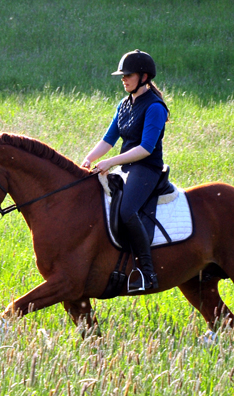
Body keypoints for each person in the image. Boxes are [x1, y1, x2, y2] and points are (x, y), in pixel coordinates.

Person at [81, 49, 169, 292]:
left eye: (127, 75)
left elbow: (146, 148)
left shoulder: (155, 107)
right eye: (122, 75)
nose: (123, 79)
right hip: (127, 167)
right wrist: (89, 159)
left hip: (146, 168)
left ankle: (147, 273)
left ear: (143, 76)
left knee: (128, 210)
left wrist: (110, 162)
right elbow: (109, 139)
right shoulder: (124, 104)